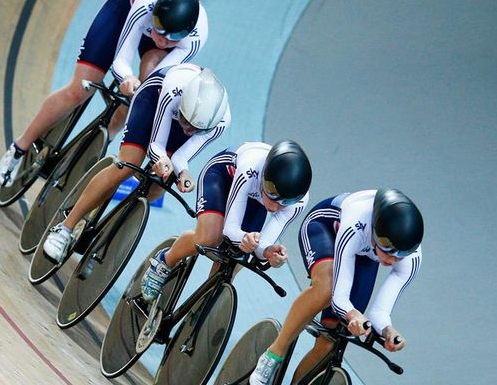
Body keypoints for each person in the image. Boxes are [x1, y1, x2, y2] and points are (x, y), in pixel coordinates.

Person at [0, 0, 209, 187]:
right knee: (79, 89)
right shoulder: (146, 2)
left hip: (157, 43)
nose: (162, 41)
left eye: (171, 39)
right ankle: (19, 148)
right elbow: (122, 60)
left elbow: (160, 80)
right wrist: (126, 77)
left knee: (146, 90)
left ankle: (106, 135)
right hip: (124, 11)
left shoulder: (194, 38)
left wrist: (140, 89)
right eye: (159, 32)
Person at [42, 63, 229, 263]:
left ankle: (110, 232)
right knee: (128, 164)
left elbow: (181, 157)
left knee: (162, 181)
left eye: (196, 130)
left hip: (186, 117)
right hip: (153, 100)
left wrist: (184, 173)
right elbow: (156, 144)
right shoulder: (174, 90)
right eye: (186, 122)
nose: (189, 131)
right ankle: (65, 228)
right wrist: (161, 158)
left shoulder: (220, 122)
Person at [249, 189, 424, 385]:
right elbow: (339, 298)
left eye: (399, 256)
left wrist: (387, 331)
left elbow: (380, 313)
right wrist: (352, 314)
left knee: (333, 339)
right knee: (326, 289)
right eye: (389, 252)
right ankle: (274, 353)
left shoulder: (410, 256)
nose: (392, 261)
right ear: (375, 232)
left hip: (365, 253)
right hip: (324, 229)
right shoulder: (356, 223)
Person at [140, 140, 313, 302]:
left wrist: (268, 252)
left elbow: (262, 247)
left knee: (237, 260)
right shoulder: (250, 167)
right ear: (265, 179)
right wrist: (245, 240)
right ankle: (165, 261)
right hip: (222, 177)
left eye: (285, 203)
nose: (275, 208)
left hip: (255, 199)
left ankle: (201, 306)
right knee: (209, 237)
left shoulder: (298, 200)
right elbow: (230, 229)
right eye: (273, 196)